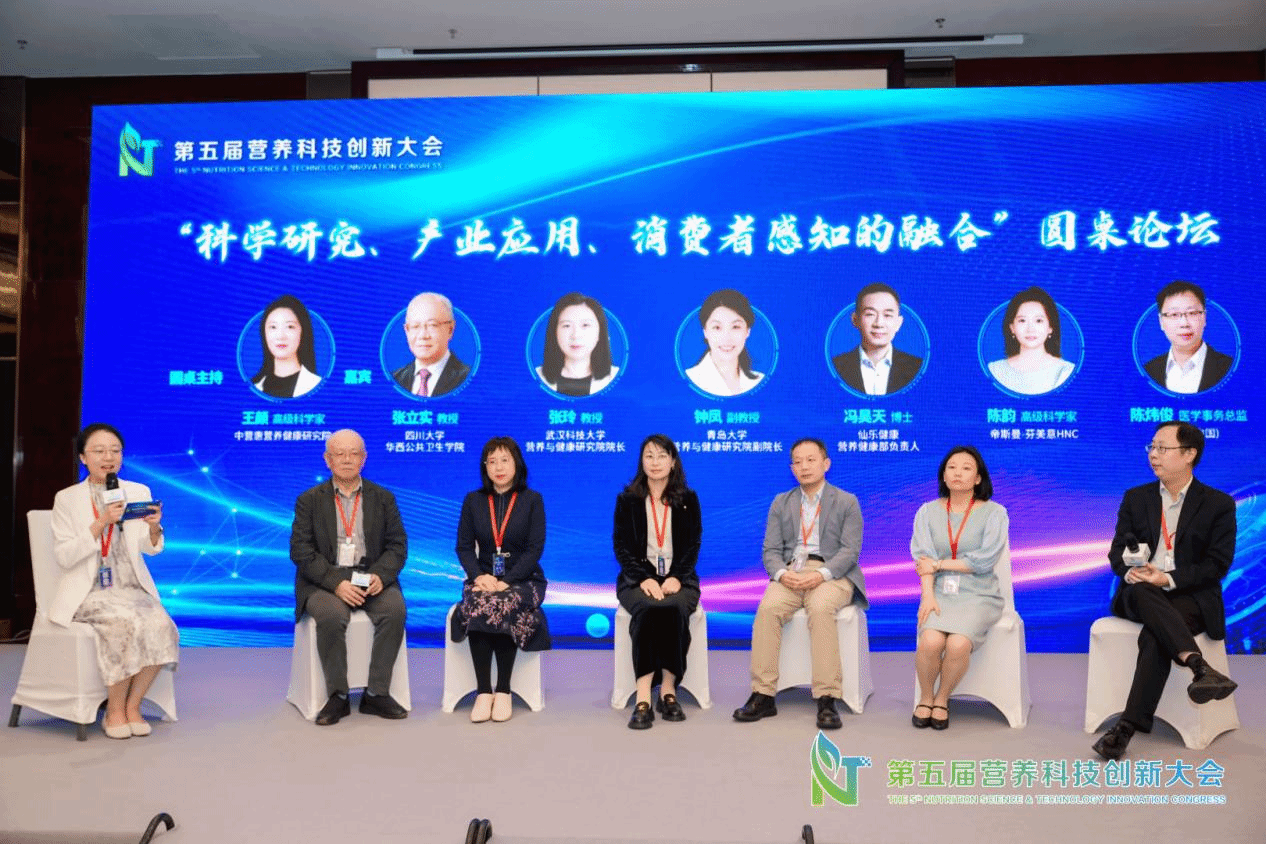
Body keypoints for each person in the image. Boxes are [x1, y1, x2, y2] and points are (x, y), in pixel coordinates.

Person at [1092, 421, 1238, 760]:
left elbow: (1216, 565)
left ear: (1189, 454)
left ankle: (1124, 729)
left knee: (1156, 635)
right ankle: (1199, 666)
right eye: (1152, 447)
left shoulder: (1218, 504)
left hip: (1189, 595)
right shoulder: (1136, 498)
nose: (1153, 455)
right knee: (1145, 591)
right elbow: (1116, 553)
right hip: (1138, 592)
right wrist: (1133, 572)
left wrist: (1167, 578)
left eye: (1162, 448)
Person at [49, 424, 178, 739]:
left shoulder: (138, 492)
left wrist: (154, 528)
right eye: (99, 451)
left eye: (115, 451)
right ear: (83, 457)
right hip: (89, 590)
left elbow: (150, 548)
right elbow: (65, 556)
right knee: (122, 623)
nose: (108, 457)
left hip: (130, 586)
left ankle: (133, 705)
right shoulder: (67, 499)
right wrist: (102, 521)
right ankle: (114, 710)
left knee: (162, 624)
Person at [733, 438, 867, 730]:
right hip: (792, 571)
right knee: (768, 608)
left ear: (826, 464)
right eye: (797, 461)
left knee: (820, 608)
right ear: (792, 468)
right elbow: (770, 550)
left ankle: (827, 697)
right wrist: (782, 574)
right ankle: (763, 694)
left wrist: (821, 574)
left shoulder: (847, 501)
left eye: (810, 460)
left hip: (833, 573)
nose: (804, 467)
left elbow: (850, 552)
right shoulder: (781, 502)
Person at [290, 429, 409, 726]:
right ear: (327, 460)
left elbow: (397, 545)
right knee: (331, 615)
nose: (347, 459)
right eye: (339, 454)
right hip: (325, 579)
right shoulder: (308, 500)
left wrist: (380, 575)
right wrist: (336, 583)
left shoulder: (383, 498)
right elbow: (301, 551)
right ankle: (338, 695)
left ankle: (377, 693)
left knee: (394, 609)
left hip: (370, 575)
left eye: (354, 453)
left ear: (364, 459)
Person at [452, 437, 551, 722]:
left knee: (504, 602)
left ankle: (504, 690)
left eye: (505, 460)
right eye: (492, 461)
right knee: (480, 602)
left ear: (517, 463)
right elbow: (463, 547)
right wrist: (478, 576)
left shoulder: (532, 500)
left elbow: (535, 549)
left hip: (525, 579)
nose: (498, 467)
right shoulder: (473, 501)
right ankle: (484, 692)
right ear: (485, 466)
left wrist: (508, 580)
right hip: (483, 578)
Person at [911, 446, 1008, 730]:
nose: (958, 473)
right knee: (930, 641)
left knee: (957, 643)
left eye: (966, 468)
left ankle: (942, 698)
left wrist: (940, 564)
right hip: (939, 591)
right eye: (952, 467)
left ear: (978, 478)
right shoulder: (927, 511)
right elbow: (924, 560)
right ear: (943, 474)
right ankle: (926, 698)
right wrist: (927, 597)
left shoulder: (995, 513)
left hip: (979, 593)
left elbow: (984, 560)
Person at [613, 434, 702, 730]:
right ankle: (643, 695)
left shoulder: (688, 500)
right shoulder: (627, 500)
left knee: (674, 608)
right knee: (649, 608)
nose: (655, 462)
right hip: (636, 579)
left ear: (673, 461)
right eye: (649, 456)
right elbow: (621, 547)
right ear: (641, 461)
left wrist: (677, 576)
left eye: (662, 455)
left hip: (680, 578)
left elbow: (693, 546)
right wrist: (643, 578)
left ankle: (668, 689)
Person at [1143, 280, 1234, 394]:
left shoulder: (1229, 368)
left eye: (1192, 313)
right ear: (1161, 321)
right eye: (1174, 314)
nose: (1184, 323)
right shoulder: (1149, 370)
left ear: (1204, 317)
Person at [832, 283, 923, 395]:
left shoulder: (917, 367)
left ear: (899, 323)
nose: (879, 324)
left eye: (887, 315)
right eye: (870, 314)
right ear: (855, 320)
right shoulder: (835, 366)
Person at [986, 287, 1075, 395]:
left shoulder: (1066, 371)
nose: (1030, 329)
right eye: (1022, 320)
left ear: (1050, 328)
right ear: (1012, 328)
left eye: (1038, 321)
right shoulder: (995, 370)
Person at [685, 289, 764, 397]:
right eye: (717, 327)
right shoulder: (690, 379)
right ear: (705, 332)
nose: (726, 338)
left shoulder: (760, 380)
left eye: (735, 327)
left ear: (747, 332)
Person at [535, 292, 618, 396]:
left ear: (600, 333)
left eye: (585, 325)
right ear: (554, 332)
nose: (576, 335)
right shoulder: (536, 376)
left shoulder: (616, 377)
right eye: (566, 326)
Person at [391, 291, 471, 397]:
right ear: (407, 330)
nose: (423, 335)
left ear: (450, 329)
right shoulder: (395, 379)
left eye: (432, 325)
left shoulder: (468, 379)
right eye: (415, 326)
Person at [251, 294, 322, 398]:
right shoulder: (253, 387)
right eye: (273, 327)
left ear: (303, 332)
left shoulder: (317, 384)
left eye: (290, 327)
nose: (280, 336)